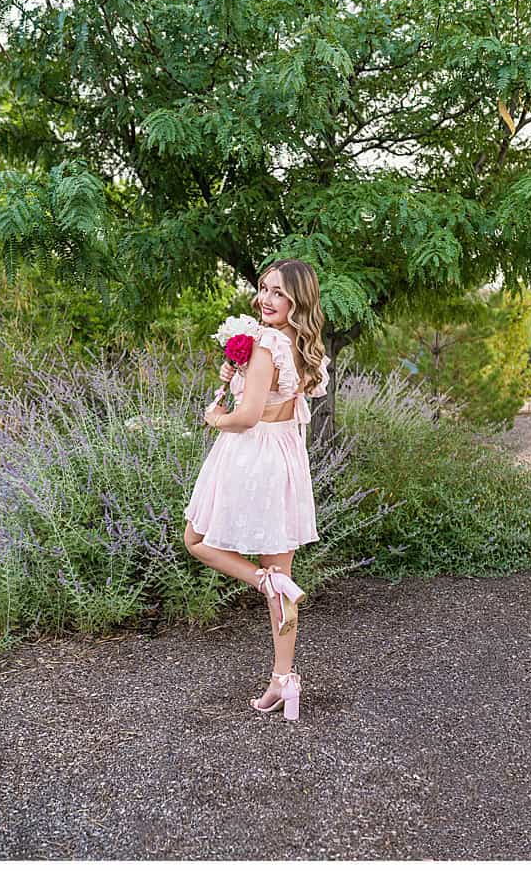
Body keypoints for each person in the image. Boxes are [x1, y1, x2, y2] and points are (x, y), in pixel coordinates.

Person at [183, 258, 332, 721]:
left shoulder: (268, 342)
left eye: (279, 293)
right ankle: (283, 680)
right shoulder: (303, 347)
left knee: (196, 541)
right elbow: (279, 402)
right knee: (279, 578)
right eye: (265, 289)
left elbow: (247, 417)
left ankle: (264, 580)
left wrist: (215, 418)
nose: (267, 300)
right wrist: (234, 375)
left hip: (251, 456)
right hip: (284, 459)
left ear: (297, 301)